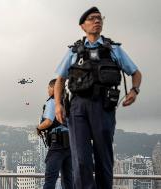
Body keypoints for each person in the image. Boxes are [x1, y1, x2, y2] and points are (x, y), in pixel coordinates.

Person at [54, 7, 142, 189]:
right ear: (82, 26)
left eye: (99, 18)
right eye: (92, 18)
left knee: (104, 158)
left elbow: (135, 72)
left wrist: (134, 91)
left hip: (104, 106)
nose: (97, 21)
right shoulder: (74, 51)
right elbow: (60, 80)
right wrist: (57, 105)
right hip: (78, 107)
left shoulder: (113, 49)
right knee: (81, 159)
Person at [37, 79, 73, 189]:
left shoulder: (52, 101)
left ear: (53, 88)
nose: (48, 91)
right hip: (70, 144)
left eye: (48, 88)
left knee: (50, 179)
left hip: (58, 144)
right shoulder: (67, 102)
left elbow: (48, 121)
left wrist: (38, 127)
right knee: (68, 180)